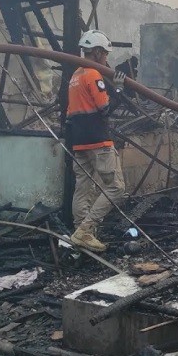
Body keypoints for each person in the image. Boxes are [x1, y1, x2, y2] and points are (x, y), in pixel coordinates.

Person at [67, 30, 127, 253]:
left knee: (83, 188)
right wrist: (119, 90)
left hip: (79, 141)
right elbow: (105, 108)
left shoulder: (75, 75)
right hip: (97, 141)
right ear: (98, 52)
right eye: (106, 54)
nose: (107, 59)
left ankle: (79, 232)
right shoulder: (93, 74)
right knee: (116, 188)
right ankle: (85, 231)